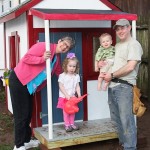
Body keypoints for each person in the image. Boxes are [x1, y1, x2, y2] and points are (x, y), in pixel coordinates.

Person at [9, 36, 75, 150]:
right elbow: (26, 58)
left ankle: (26, 141)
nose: (64, 47)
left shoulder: (56, 59)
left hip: (29, 86)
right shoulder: (44, 46)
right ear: (59, 41)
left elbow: (59, 73)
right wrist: (42, 58)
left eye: (67, 47)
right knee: (21, 115)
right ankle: (18, 146)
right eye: (64, 43)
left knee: (28, 113)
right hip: (19, 81)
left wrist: (71, 79)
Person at [104, 19, 143, 150]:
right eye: (117, 29)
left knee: (126, 120)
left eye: (123, 28)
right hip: (113, 85)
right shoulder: (118, 45)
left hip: (124, 86)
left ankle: (130, 147)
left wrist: (112, 75)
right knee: (116, 119)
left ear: (129, 28)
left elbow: (130, 67)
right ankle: (123, 144)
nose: (120, 31)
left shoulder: (133, 44)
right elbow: (114, 63)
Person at [57, 52, 81, 132]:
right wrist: (66, 95)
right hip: (64, 97)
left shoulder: (76, 76)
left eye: (74, 66)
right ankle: (67, 125)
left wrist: (79, 95)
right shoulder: (62, 76)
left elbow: (77, 86)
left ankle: (72, 123)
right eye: (70, 66)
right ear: (65, 66)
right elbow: (61, 86)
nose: (72, 68)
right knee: (66, 112)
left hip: (72, 97)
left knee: (73, 111)